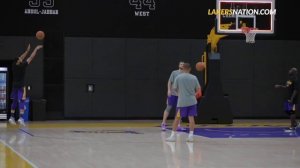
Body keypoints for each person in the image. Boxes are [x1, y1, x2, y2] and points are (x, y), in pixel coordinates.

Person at [8, 44, 43, 126]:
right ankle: (21, 118)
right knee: (22, 101)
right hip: (21, 86)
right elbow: (31, 57)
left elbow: (22, 57)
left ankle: (11, 117)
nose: (21, 58)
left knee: (14, 101)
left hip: (14, 86)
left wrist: (27, 51)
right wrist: (36, 49)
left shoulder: (14, 65)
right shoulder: (23, 66)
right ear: (18, 61)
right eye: (20, 58)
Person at [166, 63, 201, 142]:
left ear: (183, 68)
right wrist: (193, 95)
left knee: (177, 118)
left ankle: (173, 136)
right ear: (190, 69)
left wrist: (180, 93)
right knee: (191, 118)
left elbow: (174, 88)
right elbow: (198, 90)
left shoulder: (178, 77)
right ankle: (191, 136)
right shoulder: (194, 77)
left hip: (182, 102)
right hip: (192, 102)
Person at [161, 61, 185, 131]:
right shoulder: (174, 72)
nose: (182, 65)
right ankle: (163, 123)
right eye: (181, 64)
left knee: (179, 110)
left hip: (180, 95)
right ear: (178, 65)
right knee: (168, 108)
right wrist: (169, 90)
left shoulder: (185, 74)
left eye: (183, 64)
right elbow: (169, 82)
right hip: (172, 94)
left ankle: (178, 125)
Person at [275, 67, 299, 132]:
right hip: (288, 98)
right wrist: (279, 86)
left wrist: (292, 99)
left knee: (292, 112)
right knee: (287, 111)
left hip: (292, 99)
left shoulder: (295, 80)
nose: (289, 70)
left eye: (291, 70)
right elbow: (286, 86)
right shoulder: (290, 80)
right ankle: (295, 123)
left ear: (294, 72)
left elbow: (296, 90)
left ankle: (292, 126)